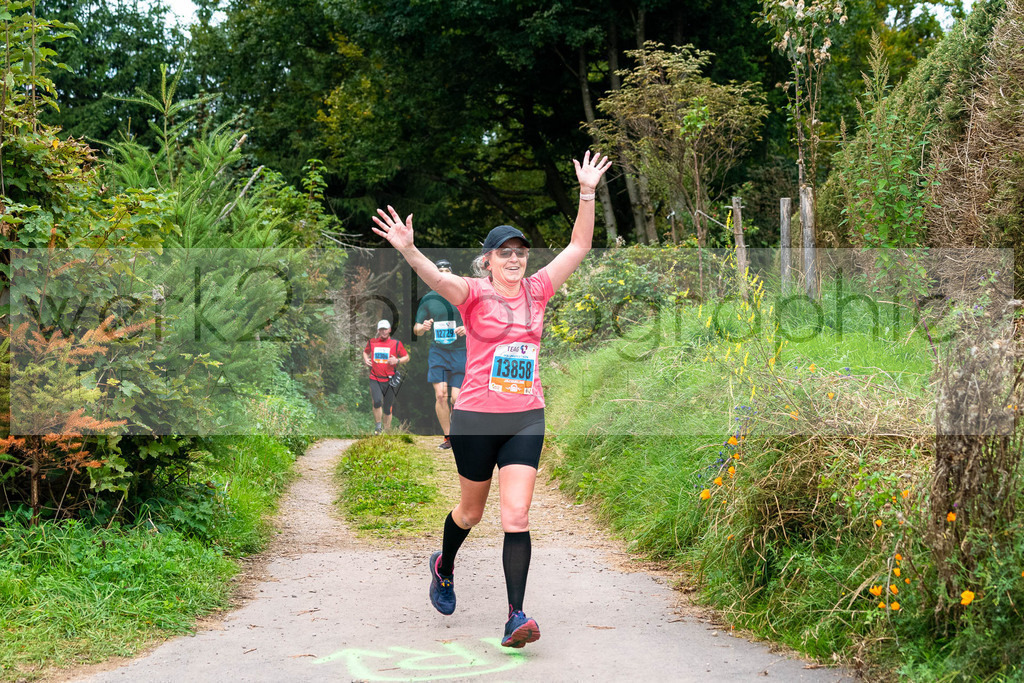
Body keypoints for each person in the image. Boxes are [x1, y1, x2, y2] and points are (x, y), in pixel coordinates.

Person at [371, 150, 612, 648]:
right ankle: (444, 565)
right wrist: (409, 251)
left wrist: (587, 193)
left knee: (516, 516)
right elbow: (438, 280)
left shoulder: (539, 290)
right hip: (476, 419)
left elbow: (579, 245)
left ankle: (515, 615)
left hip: (525, 418)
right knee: (471, 513)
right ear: (488, 261)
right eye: (504, 253)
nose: (514, 259)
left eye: (520, 252)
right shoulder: (473, 292)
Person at [413, 258, 467, 450]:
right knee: (441, 395)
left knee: (457, 398)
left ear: (452, 274)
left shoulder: (463, 294)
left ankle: (461, 433)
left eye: (446, 271)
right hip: (439, 352)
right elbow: (416, 329)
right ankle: (449, 437)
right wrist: (423, 327)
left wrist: (466, 328)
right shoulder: (428, 299)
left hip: (460, 351)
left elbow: (478, 320)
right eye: (439, 272)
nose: (443, 275)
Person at [362, 319, 410, 435]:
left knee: (388, 407)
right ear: (378, 330)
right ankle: (378, 428)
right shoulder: (372, 342)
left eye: (385, 329)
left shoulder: (396, 343)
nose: (383, 331)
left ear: (390, 330)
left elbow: (407, 357)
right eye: (381, 329)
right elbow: (365, 352)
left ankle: (387, 431)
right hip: (375, 378)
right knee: (377, 402)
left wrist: (397, 360)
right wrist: (366, 359)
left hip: (390, 379)